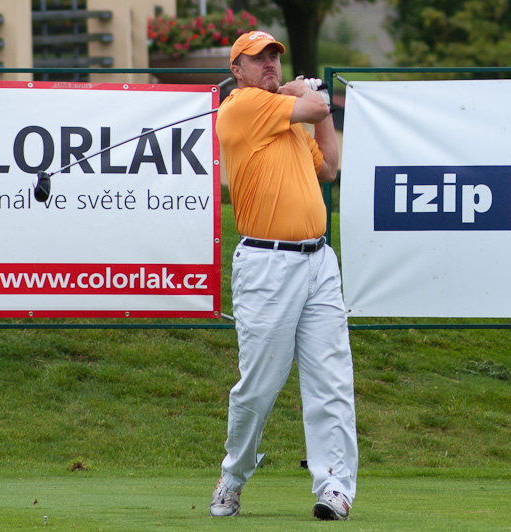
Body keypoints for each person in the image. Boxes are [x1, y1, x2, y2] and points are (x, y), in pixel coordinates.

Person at [209, 30, 358, 521]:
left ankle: (334, 488)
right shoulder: (243, 106)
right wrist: (307, 95)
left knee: (331, 378)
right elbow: (313, 106)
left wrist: (317, 105)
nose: (270, 63)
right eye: (258, 58)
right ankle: (232, 477)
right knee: (259, 385)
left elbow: (329, 167)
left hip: (319, 261)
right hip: (267, 265)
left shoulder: (287, 116)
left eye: (275, 55)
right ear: (238, 71)